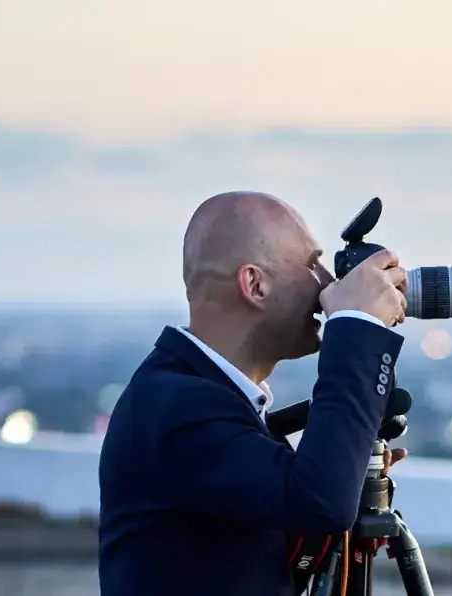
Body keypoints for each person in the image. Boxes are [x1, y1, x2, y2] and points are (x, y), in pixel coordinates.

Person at [98, 191, 410, 596]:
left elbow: (283, 533)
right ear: (255, 284)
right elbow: (321, 502)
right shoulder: (178, 406)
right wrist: (356, 326)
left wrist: (345, 453)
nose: (328, 284)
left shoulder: (198, 394)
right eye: (312, 263)